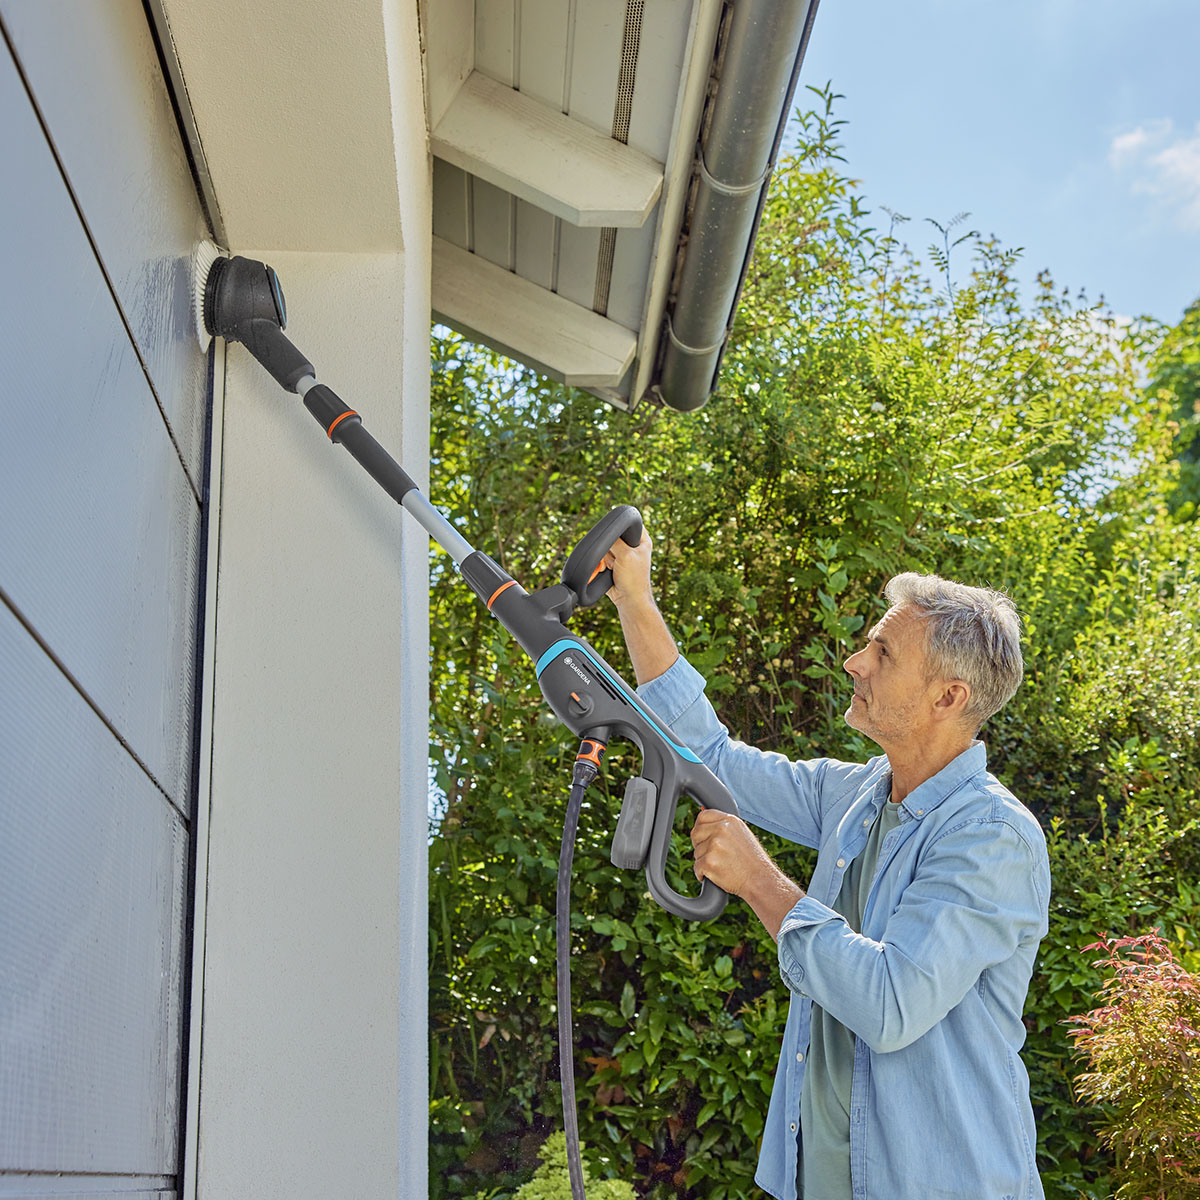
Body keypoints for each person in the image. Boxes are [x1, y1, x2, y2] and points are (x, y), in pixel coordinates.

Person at [602, 531, 1050, 1200]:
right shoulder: (858, 795)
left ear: (947, 698)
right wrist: (635, 598)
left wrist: (759, 881)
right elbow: (710, 758)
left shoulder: (991, 838)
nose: (853, 661)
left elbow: (892, 1002)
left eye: (883, 652)